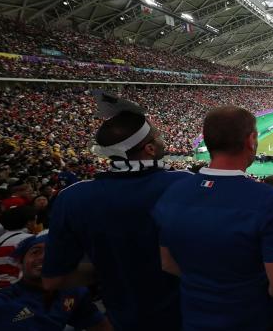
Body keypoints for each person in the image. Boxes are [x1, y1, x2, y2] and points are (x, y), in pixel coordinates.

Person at [42, 96, 192, 330]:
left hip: (124, 319)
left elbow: (53, 279)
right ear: (150, 148)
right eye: (158, 135)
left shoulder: (72, 198)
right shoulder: (186, 184)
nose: (162, 138)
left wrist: (112, 269)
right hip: (188, 314)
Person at [154, 106, 273, 331]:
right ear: (251, 139)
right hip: (249, 317)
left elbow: (167, 264)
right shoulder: (266, 200)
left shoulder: (173, 192)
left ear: (206, 141)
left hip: (194, 314)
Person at [0, 235, 113, 330]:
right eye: (36, 252)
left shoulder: (73, 293)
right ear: (20, 263)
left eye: (54, 252)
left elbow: (99, 324)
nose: (44, 257)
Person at [0, 206, 36, 288]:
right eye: (35, 220)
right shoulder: (29, 239)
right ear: (29, 222)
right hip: (23, 287)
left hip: (2, 288)